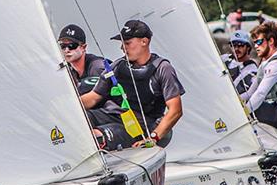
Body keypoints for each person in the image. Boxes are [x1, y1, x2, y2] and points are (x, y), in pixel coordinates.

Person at [80, 20, 184, 150]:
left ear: (144, 42)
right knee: (76, 122)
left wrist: (153, 138)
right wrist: (65, 105)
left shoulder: (162, 69)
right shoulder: (117, 67)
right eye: (122, 43)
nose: (122, 47)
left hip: (138, 126)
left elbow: (176, 110)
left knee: (97, 137)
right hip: (111, 115)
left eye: (127, 43)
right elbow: (94, 97)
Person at [240, 21, 277, 132]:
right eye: (254, 43)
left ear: (271, 41)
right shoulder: (266, 64)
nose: (256, 46)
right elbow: (250, 92)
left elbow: (260, 93)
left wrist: (242, 115)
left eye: (259, 42)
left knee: (241, 110)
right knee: (238, 103)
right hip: (275, 110)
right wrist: (235, 100)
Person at [57, 24, 105, 94]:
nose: (66, 50)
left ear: (83, 47)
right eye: (63, 46)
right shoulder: (65, 68)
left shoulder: (97, 66)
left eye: (72, 46)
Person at [220, 30, 258, 94]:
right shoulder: (224, 58)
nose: (236, 49)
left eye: (240, 45)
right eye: (233, 45)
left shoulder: (251, 68)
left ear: (248, 47)